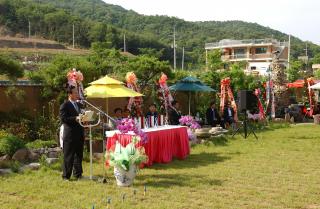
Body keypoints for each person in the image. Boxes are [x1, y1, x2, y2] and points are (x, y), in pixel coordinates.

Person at [59, 85, 85, 181]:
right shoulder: (65, 105)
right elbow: (64, 119)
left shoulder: (79, 105)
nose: (77, 94)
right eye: (75, 93)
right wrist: (75, 118)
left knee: (79, 155)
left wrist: (85, 118)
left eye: (77, 93)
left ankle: (78, 174)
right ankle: (66, 176)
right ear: (70, 94)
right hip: (70, 134)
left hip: (79, 133)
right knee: (68, 156)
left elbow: (81, 116)